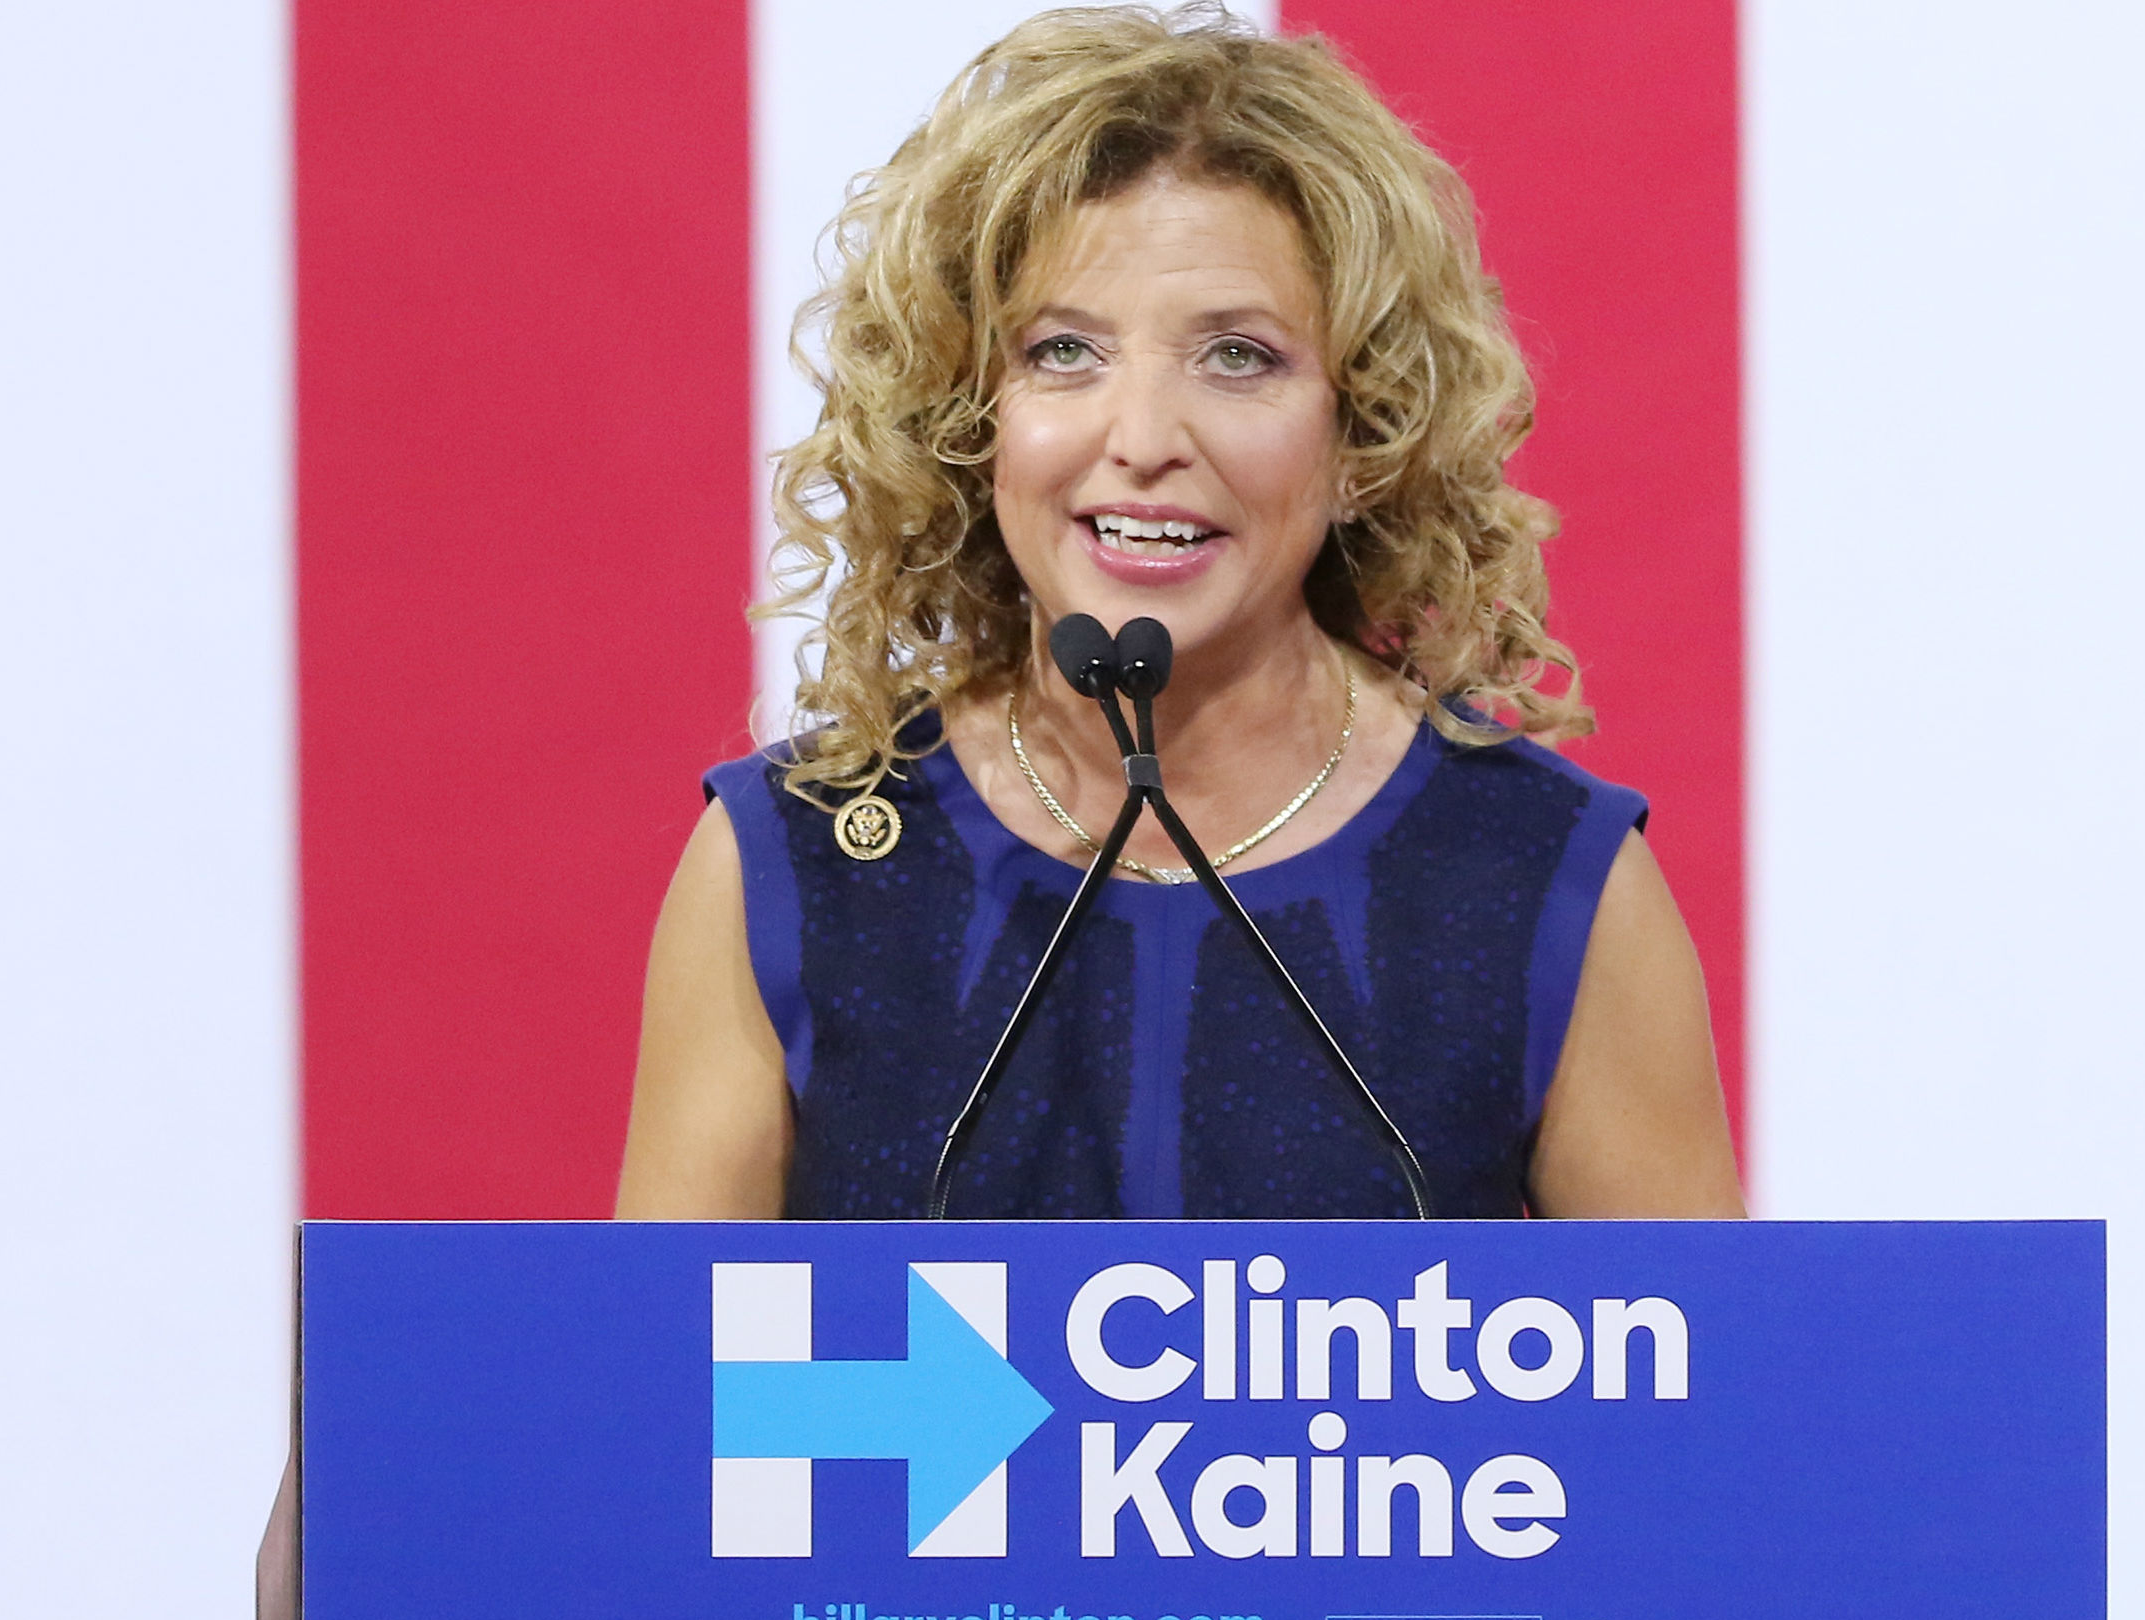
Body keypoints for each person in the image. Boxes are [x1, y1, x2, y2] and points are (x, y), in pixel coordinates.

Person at [618, 5, 1742, 1224]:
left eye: (1238, 357)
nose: (1143, 440)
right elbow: (676, 1397)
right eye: (1062, 353)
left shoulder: (1543, 881)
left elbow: (1689, 1396)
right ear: (968, 418)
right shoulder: (796, 865)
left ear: (1366, 430)